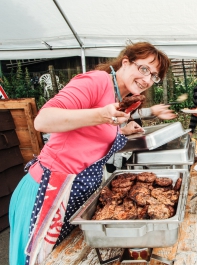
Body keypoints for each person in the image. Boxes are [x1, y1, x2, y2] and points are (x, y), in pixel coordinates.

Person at [9, 42, 170, 265]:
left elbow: (90, 135)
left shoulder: (118, 94)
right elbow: (43, 120)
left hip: (76, 195)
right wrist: (100, 115)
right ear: (125, 62)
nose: (147, 79)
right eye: (144, 69)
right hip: (48, 192)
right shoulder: (97, 80)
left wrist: (121, 130)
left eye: (154, 76)